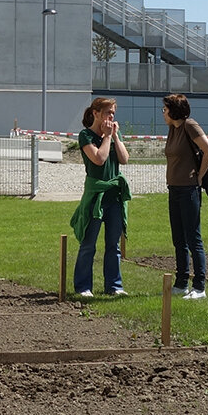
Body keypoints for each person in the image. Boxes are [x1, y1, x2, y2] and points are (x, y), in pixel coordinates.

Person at [71, 97, 130, 298]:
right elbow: (98, 159)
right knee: (89, 243)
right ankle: (83, 286)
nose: (111, 116)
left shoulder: (113, 134)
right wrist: (106, 137)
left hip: (114, 197)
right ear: (96, 113)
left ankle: (114, 286)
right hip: (96, 196)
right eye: (107, 112)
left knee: (113, 244)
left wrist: (115, 137)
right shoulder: (85, 135)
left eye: (113, 113)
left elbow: (124, 159)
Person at [162, 94, 208, 300]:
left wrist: (199, 177)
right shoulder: (172, 129)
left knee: (193, 238)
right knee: (178, 239)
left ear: (174, 110)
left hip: (188, 190)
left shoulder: (189, 125)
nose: (163, 113)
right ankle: (181, 283)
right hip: (174, 189)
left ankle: (199, 287)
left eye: (165, 109)